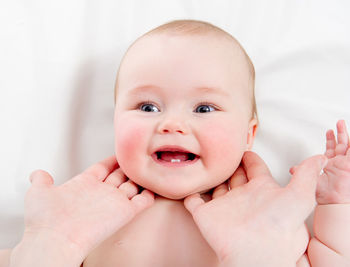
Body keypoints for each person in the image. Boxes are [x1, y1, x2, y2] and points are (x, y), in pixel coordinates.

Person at [1, 20, 349, 267]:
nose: (171, 124)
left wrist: (335, 205)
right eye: (147, 107)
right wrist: (49, 241)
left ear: (248, 134)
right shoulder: (85, 219)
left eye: (204, 108)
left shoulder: (268, 220)